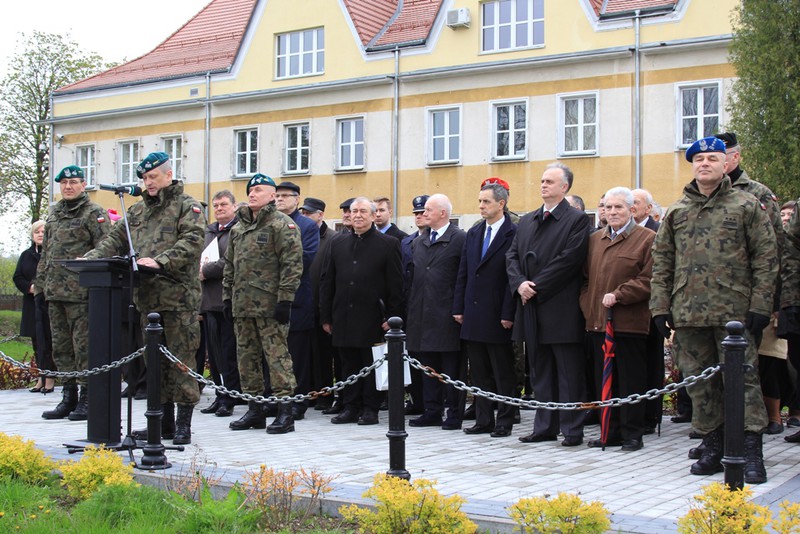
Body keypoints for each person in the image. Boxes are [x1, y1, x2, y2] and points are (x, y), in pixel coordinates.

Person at [650, 136, 776, 483]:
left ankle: (750, 449)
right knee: (698, 382)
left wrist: (761, 305)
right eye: (699, 159)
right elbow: (662, 263)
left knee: (744, 381)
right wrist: (660, 307)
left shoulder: (746, 205)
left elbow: (766, 259)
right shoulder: (677, 211)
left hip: (734, 314)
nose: (704, 163)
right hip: (688, 313)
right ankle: (712, 444)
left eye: (712, 158)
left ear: (726, 164)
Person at [85, 152, 206, 445]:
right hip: (147, 299)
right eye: (144, 178)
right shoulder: (137, 213)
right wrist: (87, 259)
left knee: (180, 361)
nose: (147, 183)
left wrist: (161, 260)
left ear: (168, 174)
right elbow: (113, 240)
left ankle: (183, 425)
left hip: (178, 300)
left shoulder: (186, 206)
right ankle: (160, 422)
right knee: (154, 364)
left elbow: (192, 241)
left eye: (152, 177)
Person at [506, 162, 590, 446]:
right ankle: (544, 427)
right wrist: (519, 284)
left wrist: (536, 286)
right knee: (540, 370)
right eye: (542, 181)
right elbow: (513, 256)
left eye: (550, 182)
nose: (543, 185)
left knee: (568, 373)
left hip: (561, 307)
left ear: (564, 187)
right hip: (531, 306)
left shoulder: (576, 220)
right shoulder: (527, 220)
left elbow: (569, 259)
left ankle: (572, 429)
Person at [222, 174, 303, 434]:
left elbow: (292, 265)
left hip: (270, 305)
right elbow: (229, 266)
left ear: (272, 195)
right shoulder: (238, 227)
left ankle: (284, 411)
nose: (253, 194)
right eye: (250, 190)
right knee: (247, 359)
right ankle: (255, 409)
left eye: (259, 190)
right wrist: (227, 296)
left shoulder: (282, 224)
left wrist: (286, 299)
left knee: (277, 358)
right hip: (242, 305)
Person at [580, 187, 655, 451]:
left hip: (629, 325)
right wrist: (589, 308)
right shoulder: (595, 239)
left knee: (631, 380)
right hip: (598, 323)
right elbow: (586, 280)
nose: (612, 212)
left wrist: (620, 294)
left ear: (631, 210)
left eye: (618, 207)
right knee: (604, 382)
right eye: (608, 207)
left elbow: (649, 280)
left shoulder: (647, 239)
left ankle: (632, 433)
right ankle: (608, 431)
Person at [319, 197, 404, 425]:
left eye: (363, 211)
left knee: (370, 363)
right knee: (347, 364)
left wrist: (392, 317)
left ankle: (370, 408)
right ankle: (350, 406)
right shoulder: (337, 243)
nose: (357, 215)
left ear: (373, 215)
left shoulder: (388, 244)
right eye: (354, 211)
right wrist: (326, 315)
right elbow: (328, 280)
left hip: (373, 316)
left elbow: (396, 284)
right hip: (343, 315)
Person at [37, 165, 110, 420]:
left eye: (73, 182)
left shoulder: (94, 213)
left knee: (84, 348)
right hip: (55, 292)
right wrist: (41, 282)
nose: (68, 187)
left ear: (83, 185)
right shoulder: (54, 213)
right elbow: (46, 252)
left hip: (82, 293)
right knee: (61, 348)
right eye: (64, 183)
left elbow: (106, 248)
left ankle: (88, 398)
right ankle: (69, 397)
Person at [453, 181, 517, 438]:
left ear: (501, 204)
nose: (481, 206)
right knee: (478, 370)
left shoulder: (514, 233)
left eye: (486, 201)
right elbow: (464, 273)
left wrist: (507, 313)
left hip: (498, 313)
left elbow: (512, 277)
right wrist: (459, 306)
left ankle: (505, 419)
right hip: (473, 312)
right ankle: (483, 419)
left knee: (502, 371)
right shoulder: (474, 232)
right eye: (479, 201)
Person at [407, 194, 467, 430]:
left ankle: (453, 413)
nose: (423, 214)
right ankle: (431, 410)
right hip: (422, 315)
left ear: (443, 213)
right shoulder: (419, 241)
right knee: (428, 367)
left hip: (448, 315)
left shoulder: (460, 239)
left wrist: (459, 308)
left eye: (429, 210)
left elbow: (464, 276)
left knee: (451, 369)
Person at [275, 182, 319, 419]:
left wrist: (272, 260)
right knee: (273, 353)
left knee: (297, 354)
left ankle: (297, 401)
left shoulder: (306, 226)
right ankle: (275, 398)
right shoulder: (269, 221)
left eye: (285, 196)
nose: (280, 200)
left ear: (297, 200)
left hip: (297, 298)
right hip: (270, 299)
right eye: (277, 196)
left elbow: (306, 257)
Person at [198, 190, 242, 417]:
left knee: (228, 353)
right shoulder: (210, 231)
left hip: (227, 301)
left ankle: (231, 396)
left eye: (224, 204)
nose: (219, 208)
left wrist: (206, 270)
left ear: (234, 206)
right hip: (209, 301)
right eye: (216, 205)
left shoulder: (238, 230)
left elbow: (232, 261)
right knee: (213, 355)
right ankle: (219, 394)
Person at [301, 197, 339, 412]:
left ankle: (324, 395)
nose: (305, 217)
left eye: (309, 213)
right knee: (304, 354)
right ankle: (308, 393)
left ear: (320, 215)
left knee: (323, 355)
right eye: (303, 213)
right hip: (302, 305)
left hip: (321, 306)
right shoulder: (297, 234)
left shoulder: (333, 239)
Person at [14, 220, 54, 393]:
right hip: (32, 304)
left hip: (49, 303)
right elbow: (18, 276)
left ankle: (50, 378)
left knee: (49, 342)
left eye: (43, 232)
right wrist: (29, 287)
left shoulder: (52, 253)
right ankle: (40, 377)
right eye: (37, 232)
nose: (40, 234)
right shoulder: (26, 255)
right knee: (37, 343)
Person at [400, 195, 429, 416]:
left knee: (430, 359)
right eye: (416, 214)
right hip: (410, 305)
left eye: (423, 213)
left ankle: (433, 401)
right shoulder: (407, 242)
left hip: (430, 306)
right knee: (412, 356)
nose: (420, 217)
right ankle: (416, 399)